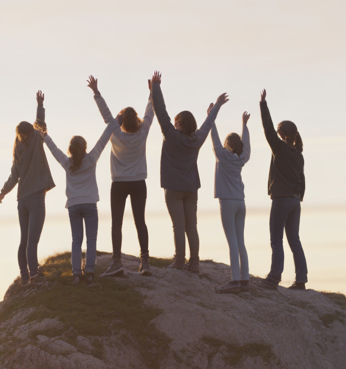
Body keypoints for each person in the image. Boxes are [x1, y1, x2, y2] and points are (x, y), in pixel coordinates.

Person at [150, 70, 227, 273]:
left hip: (173, 189)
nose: (173, 124)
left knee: (178, 226)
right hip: (191, 189)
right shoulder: (197, 139)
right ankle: (194, 263)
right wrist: (217, 106)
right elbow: (208, 124)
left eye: (176, 122)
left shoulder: (171, 136)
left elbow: (161, 111)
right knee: (191, 227)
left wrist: (156, 87)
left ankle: (179, 261)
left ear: (179, 124)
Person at [88, 75, 155, 277]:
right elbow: (150, 112)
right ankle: (145, 262)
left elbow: (107, 115)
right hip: (138, 183)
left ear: (122, 121)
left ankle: (117, 261)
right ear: (137, 120)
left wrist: (96, 92)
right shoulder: (143, 132)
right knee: (140, 221)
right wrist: (153, 92)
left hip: (118, 184)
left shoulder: (116, 133)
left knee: (116, 223)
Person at [40, 112, 114, 283]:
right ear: (85, 147)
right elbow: (103, 140)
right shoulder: (91, 159)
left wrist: (44, 135)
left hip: (73, 205)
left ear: (71, 149)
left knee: (76, 240)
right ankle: (89, 272)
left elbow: (55, 150)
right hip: (89, 204)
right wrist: (114, 122)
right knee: (91, 238)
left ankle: (75, 274)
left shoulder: (67, 163)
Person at [0, 91, 56, 284]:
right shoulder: (36, 141)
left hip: (21, 200)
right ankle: (34, 276)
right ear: (30, 133)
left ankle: (24, 275)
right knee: (33, 241)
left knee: (24, 240)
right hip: (35, 198)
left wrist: (3, 192)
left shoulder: (18, 150)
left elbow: (14, 175)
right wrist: (40, 104)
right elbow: (40, 123)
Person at [259, 89, 307, 290]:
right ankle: (301, 279)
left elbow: (267, 129)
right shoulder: (298, 154)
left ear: (283, 135)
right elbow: (302, 179)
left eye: (279, 133)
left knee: (276, 239)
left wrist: (263, 105)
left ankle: (274, 277)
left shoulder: (279, 148)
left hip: (281, 199)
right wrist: (299, 197)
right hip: (295, 201)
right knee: (294, 240)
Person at [210, 108, 252, 293]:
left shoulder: (222, 155)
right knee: (240, 240)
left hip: (227, 201)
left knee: (232, 240)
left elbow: (213, 137)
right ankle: (245, 278)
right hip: (241, 202)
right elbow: (247, 145)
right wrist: (244, 125)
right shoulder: (242, 158)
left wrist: (211, 116)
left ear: (227, 144)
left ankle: (235, 280)